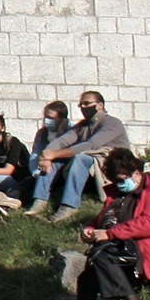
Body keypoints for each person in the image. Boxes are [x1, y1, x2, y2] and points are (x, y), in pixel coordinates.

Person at [67, 150, 150, 300]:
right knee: (87, 278)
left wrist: (110, 234)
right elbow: (101, 220)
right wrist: (90, 230)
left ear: (136, 173)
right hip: (118, 249)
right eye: (114, 180)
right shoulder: (117, 196)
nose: (118, 184)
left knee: (101, 253)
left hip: (147, 251)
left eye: (121, 179)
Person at [25, 91, 127, 222]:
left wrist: (53, 154)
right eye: (81, 104)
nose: (84, 107)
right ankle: (40, 200)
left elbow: (91, 145)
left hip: (112, 164)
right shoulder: (82, 125)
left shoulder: (112, 123)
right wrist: (47, 155)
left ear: (100, 105)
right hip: (91, 167)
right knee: (57, 161)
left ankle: (69, 205)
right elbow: (62, 141)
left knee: (80, 158)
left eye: (87, 103)